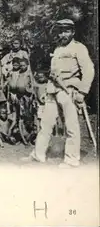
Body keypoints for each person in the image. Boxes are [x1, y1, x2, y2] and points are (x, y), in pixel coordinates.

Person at [22, 19, 94, 168]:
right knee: (46, 124)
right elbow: (53, 72)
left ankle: (71, 159)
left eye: (67, 30)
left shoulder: (79, 48)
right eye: (61, 31)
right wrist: (47, 91)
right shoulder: (58, 48)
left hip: (69, 90)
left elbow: (89, 70)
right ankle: (38, 154)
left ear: (73, 32)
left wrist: (82, 91)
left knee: (71, 126)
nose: (63, 34)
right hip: (53, 90)